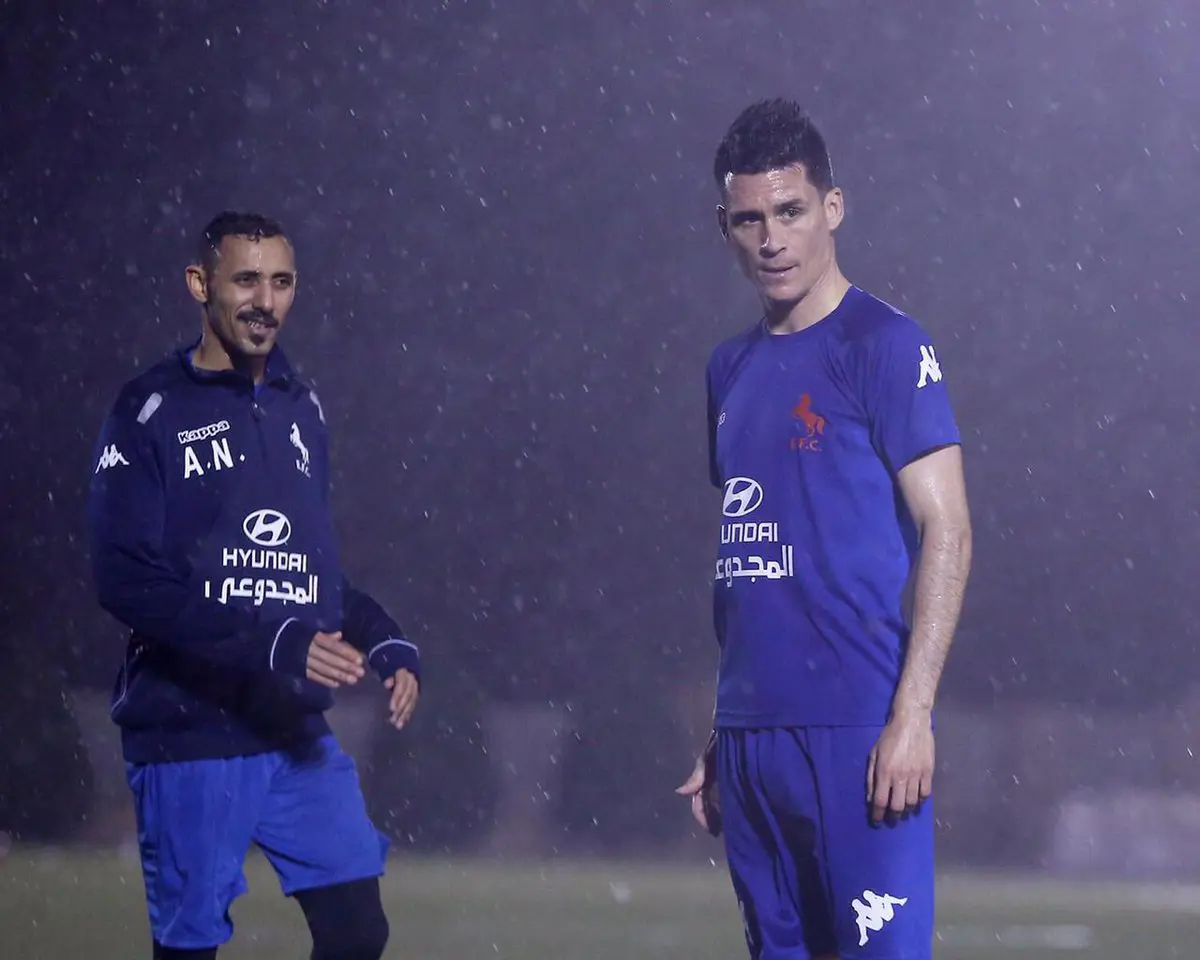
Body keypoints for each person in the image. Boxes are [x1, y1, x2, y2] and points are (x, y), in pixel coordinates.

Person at [676, 100, 973, 960]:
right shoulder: (728, 369)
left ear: (832, 208)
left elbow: (949, 530)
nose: (772, 239)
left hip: (858, 733)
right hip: (751, 744)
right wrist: (725, 729)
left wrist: (912, 715)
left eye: (791, 211)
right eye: (750, 220)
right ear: (725, 227)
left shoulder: (886, 345)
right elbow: (752, 562)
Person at [87, 211, 422, 960]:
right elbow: (125, 579)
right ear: (199, 284)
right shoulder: (149, 407)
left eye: (281, 282)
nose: (265, 301)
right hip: (190, 731)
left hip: (290, 729)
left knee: (357, 930)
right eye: (245, 280)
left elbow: (306, 575)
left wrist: (383, 637)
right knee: (191, 947)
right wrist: (273, 641)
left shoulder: (303, 406)